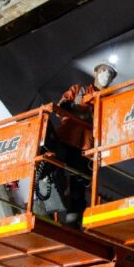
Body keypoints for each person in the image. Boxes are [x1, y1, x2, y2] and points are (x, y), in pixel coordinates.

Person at [51, 62, 117, 222]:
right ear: (95, 72)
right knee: (51, 170)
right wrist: (70, 107)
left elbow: (110, 125)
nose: (106, 74)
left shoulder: (110, 101)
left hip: (85, 148)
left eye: (110, 73)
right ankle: (49, 209)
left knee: (78, 186)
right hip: (65, 138)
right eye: (103, 70)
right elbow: (61, 109)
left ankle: (72, 222)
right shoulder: (78, 90)